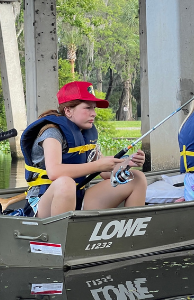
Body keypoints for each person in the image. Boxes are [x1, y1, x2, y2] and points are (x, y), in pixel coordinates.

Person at [21, 81, 146, 218]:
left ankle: (129, 234)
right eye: (88, 108)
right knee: (65, 183)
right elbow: (54, 172)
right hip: (44, 203)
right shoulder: (52, 133)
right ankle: (61, 236)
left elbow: (105, 173)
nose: (94, 114)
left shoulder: (85, 133)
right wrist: (96, 165)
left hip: (77, 196)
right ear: (68, 111)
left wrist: (127, 163)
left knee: (136, 178)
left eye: (94, 108)